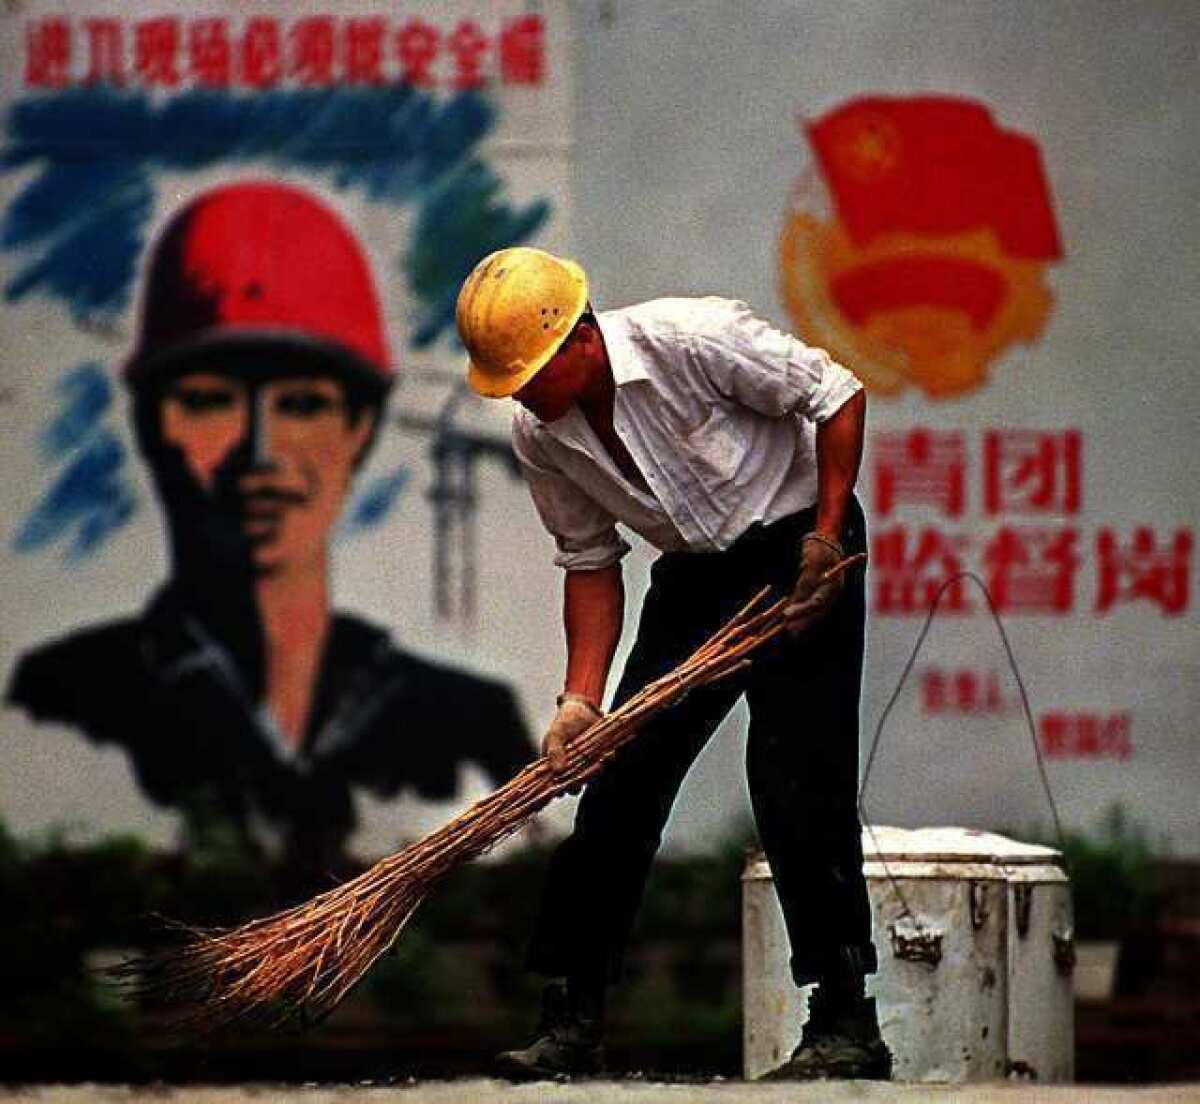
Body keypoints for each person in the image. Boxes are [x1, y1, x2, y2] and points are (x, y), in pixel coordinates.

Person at [8, 182, 533, 880]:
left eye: (303, 405)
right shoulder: (63, 701)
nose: (260, 454)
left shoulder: (471, 723)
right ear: (149, 426)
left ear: (361, 430)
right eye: (210, 401)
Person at [456, 246, 891, 1081]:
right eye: (508, 384)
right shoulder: (539, 435)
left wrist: (826, 541)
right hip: (693, 579)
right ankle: (571, 1017)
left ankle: (844, 1021)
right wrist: (580, 701)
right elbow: (588, 561)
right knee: (621, 783)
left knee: (796, 778)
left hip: (797, 548)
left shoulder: (694, 338)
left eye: (530, 377)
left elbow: (836, 395)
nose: (521, 398)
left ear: (581, 339)